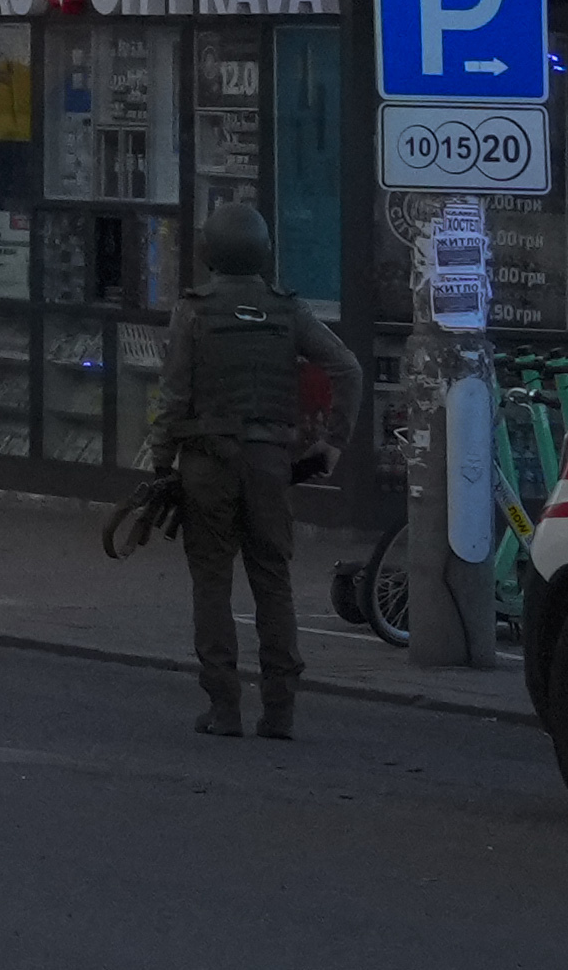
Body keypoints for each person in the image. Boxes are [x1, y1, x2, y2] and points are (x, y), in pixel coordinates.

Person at [157, 204, 357, 738]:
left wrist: (159, 464)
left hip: (207, 463)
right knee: (273, 580)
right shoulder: (288, 311)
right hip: (270, 463)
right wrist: (333, 442)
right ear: (264, 252)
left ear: (208, 252)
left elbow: (173, 396)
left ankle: (224, 707)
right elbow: (348, 367)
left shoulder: (193, 311)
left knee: (212, 583)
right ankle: (280, 709)